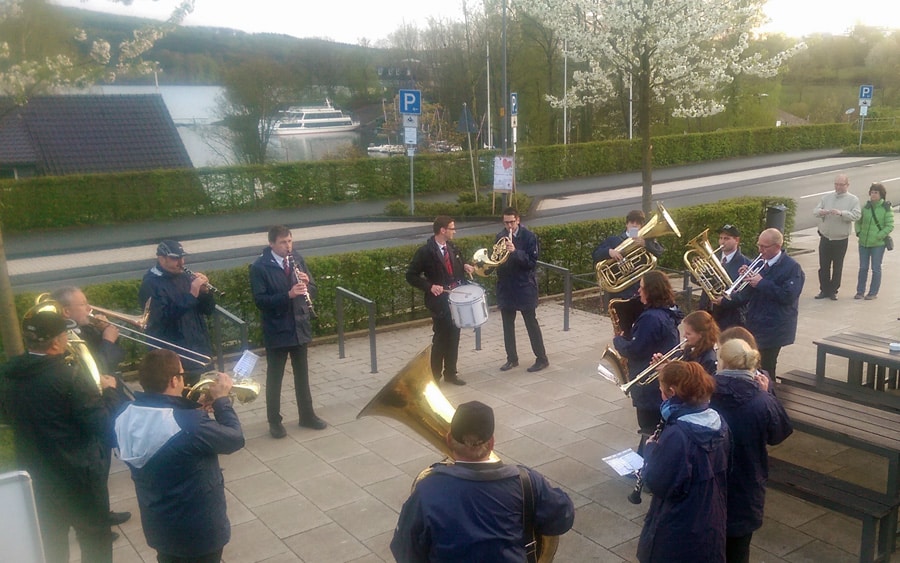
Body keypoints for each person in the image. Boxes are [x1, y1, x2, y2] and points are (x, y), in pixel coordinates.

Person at [0, 311, 124, 563]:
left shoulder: (7, 375)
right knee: (95, 542)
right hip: (79, 476)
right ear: (56, 343)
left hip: (36, 476)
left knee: (52, 545)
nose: (68, 339)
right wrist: (109, 393)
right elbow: (103, 427)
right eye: (65, 335)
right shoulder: (71, 377)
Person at [390, 401, 575, 562]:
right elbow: (563, 518)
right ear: (491, 442)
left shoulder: (426, 491)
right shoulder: (526, 481)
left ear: (449, 440)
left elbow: (405, 552)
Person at [115, 349, 245, 563]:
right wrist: (222, 401)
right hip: (199, 531)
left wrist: (194, 410)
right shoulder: (188, 424)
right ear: (174, 380)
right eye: (182, 375)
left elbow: (164, 429)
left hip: (159, 526)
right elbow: (235, 438)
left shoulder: (125, 412)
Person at [51, 286, 133, 528]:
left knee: (102, 464)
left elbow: (113, 359)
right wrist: (108, 340)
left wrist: (102, 332)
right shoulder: (66, 338)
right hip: (92, 405)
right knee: (96, 465)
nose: (89, 308)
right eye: (83, 304)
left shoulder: (82, 330)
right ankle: (96, 520)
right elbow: (99, 367)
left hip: (101, 401)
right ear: (66, 311)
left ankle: (102, 512)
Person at [637, 361, 730, 563]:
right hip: (710, 514)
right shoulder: (719, 422)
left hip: (679, 523)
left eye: (661, 390)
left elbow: (660, 483)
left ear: (671, 392)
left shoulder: (678, 435)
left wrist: (651, 451)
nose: (660, 394)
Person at [711, 339, 793, 563]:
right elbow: (779, 434)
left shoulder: (706, 392)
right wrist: (768, 395)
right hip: (747, 481)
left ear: (723, 363)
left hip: (711, 480)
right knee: (738, 549)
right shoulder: (762, 401)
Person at [250, 225, 327, 438]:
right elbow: (260, 301)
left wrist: (307, 284)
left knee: (302, 375)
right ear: (271, 244)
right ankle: (274, 421)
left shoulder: (297, 259)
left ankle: (307, 415)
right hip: (277, 329)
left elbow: (314, 289)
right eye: (283, 242)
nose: (288, 246)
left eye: (290, 241)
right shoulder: (259, 267)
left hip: (299, 325)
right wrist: (288, 295)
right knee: (275, 378)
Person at [613, 270, 683, 454]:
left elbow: (635, 350)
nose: (638, 291)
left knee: (648, 427)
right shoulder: (668, 311)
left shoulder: (651, 318)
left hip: (649, 387)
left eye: (642, 287)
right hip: (659, 382)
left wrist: (618, 341)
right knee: (655, 426)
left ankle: (648, 461)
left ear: (651, 291)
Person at [405, 216, 474, 386]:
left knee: (454, 335)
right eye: (452, 228)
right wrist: (429, 286)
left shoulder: (452, 247)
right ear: (442, 230)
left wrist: (465, 266)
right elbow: (411, 275)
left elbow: (456, 266)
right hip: (439, 301)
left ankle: (451, 373)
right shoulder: (426, 251)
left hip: (455, 298)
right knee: (441, 338)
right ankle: (434, 376)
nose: (454, 231)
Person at [138, 239, 216, 383]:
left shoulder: (186, 276)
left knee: (195, 394)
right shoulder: (150, 283)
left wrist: (205, 293)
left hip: (194, 352)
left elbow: (208, 310)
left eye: (182, 257)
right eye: (175, 258)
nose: (181, 262)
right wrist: (191, 294)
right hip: (171, 355)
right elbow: (160, 319)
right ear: (161, 259)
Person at [731, 228, 804, 379]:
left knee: (766, 366)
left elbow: (788, 296)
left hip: (775, 326)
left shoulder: (792, 268)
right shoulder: (760, 263)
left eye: (764, 247)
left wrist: (761, 282)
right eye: (759, 245)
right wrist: (747, 277)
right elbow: (749, 294)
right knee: (752, 364)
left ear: (777, 246)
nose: (760, 250)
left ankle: (770, 391)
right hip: (756, 321)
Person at [495, 208, 550, 373]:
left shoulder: (529, 236)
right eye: (506, 222)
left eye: (512, 222)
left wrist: (515, 252)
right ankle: (511, 359)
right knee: (507, 326)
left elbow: (531, 262)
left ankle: (542, 359)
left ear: (518, 220)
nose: (509, 226)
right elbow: (497, 260)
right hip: (507, 287)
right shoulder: (500, 237)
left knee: (531, 323)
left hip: (524, 286)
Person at [592, 209, 665, 300]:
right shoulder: (614, 240)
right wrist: (609, 252)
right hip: (620, 292)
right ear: (626, 224)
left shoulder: (647, 241)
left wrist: (646, 244)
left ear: (641, 226)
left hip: (641, 290)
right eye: (632, 222)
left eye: (638, 223)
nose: (634, 225)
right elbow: (595, 254)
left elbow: (660, 251)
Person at [812, 173, 860, 300]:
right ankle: (824, 290)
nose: (838, 187)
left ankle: (833, 290)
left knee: (837, 266)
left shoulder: (853, 199)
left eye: (841, 185)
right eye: (836, 184)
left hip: (840, 239)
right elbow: (815, 211)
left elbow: (856, 215)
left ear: (847, 185)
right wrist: (821, 212)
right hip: (825, 237)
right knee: (824, 266)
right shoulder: (827, 197)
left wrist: (841, 213)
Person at [699, 224, 751, 330]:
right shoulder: (711, 258)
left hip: (730, 316)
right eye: (721, 238)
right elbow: (695, 278)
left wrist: (724, 301)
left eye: (727, 238)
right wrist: (700, 273)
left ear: (737, 240)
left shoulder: (746, 264)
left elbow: (745, 294)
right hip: (707, 311)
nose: (722, 242)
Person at [855, 182, 894, 300]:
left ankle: (873, 293)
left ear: (881, 194)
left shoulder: (886, 208)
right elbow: (858, 221)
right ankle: (860, 291)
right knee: (863, 268)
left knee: (876, 268)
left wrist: (879, 236)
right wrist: (859, 232)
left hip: (878, 244)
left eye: (876, 192)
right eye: (872, 192)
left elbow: (890, 225)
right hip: (864, 243)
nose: (873, 195)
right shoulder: (866, 207)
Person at [676, 310, 719, 376]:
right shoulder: (690, 348)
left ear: (700, 335)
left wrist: (673, 372)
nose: (684, 335)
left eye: (688, 334)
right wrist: (668, 364)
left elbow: (696, 379)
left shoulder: (709, 359)